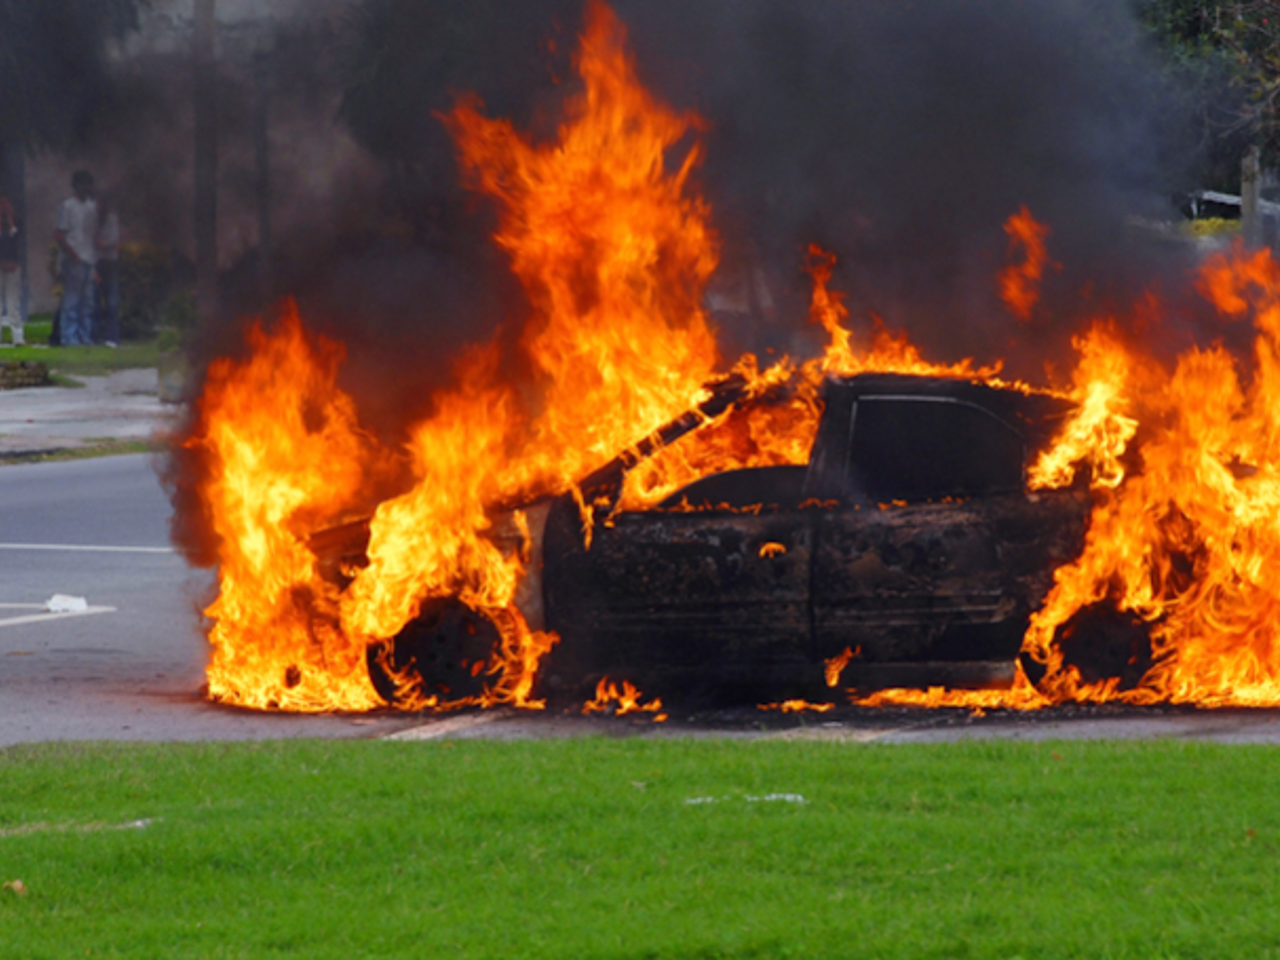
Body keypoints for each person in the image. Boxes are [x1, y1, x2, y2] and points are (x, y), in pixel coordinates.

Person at [53, 170, 98, 347]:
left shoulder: (91, 206)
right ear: (77, 186)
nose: (87, 188)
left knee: (87, 302)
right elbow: (59, 234)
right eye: (84, 184)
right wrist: (73, 255)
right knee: (72, 300)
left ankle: (85, 337)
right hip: (74, 259)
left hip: (89, 259)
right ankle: (69, 338)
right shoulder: (68, 206)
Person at [94, 195, 120, 347]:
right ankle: (96, 337)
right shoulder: (91, 222)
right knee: (95, 303)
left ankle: (112, 338)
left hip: (110, 264)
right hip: (96, 264)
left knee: (112, 302)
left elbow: (113, 240)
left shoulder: (112, 219)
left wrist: (100, 243)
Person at [0, 196, 21, 346]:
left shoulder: (15, 224)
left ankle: (18, 337)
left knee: (13, 303)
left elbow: (17, 242)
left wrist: (10, 219)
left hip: (13, 267)